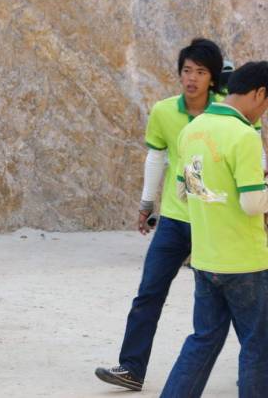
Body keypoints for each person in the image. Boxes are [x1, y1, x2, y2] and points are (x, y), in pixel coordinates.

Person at [95, 38, 227, 391]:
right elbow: (156, 157)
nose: (192, 78)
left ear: (212, 78)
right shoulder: (164, 111)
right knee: (149, 292)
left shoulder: (227, 114)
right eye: (187, 71)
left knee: (223, 297)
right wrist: (145, 204)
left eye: (200, 72)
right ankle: (131, 368)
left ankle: (255, 371)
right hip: (173, 218)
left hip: (213, 221)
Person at [161, 61, 268, 397]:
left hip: (205, 258)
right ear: (259, 94)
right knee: (258, 346)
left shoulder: (192, 129)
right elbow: (252, 205)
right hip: (245, 262)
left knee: (203, 340)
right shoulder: (244, 136)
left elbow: (183, 190)